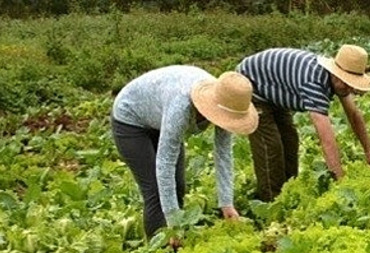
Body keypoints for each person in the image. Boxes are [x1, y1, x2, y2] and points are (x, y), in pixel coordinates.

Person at [111, 66, 259, 238]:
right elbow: (165, 163)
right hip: (131, 118)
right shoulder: (182, 106)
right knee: (156, 192)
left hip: (159, 115)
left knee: (179, 185)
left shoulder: (228, 102)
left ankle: (176, 240)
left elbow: (223, 154)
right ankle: (158, 252)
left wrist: (226, 203)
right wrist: (172, 224)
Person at [237, 44, 370, 202]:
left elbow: (354, 114)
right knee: (271, 146)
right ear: (335, 72)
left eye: (352, 83)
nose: (348, 87)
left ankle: (288, 191)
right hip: (250, 85)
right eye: (346, 82)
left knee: (290, 139)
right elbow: (326, 139)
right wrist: (340, 180)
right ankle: (272, 202)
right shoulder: (313, 82)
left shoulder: (340, 83)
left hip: (274, 89)